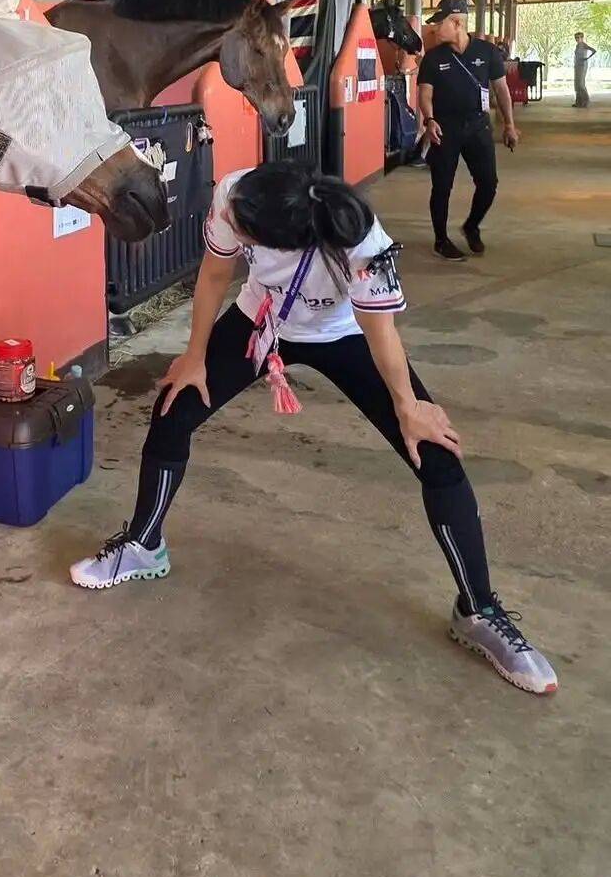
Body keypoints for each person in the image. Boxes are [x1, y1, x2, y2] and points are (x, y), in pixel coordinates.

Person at [69, 161, 556, 695]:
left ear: (286, 242)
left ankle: (478, 610)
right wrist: (196, 356)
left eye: (247, 235)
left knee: (435, 454)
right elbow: (214, 275)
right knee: (173, 407)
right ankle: (144, 544)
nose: (233, 227)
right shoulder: (239, 194)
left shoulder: (359, 239)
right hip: (262, 319)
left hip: (342, 334)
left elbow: (380, 330)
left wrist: (407, 406)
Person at [416, 0, 519, 262]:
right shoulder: (433, 58)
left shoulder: (488, 52)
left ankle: (471, 226)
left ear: (456, 23)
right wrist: (429, 120)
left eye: (439, 23)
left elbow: (502, 90)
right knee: (442, 187)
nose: (434, 29)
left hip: (478, 128)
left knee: (488, 184)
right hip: (444, 130)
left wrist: (509, 125)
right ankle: (441, 240)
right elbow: (425, 94)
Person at [573, 31, 597, 108]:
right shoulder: (577, 45)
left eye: (578, 37)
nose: (577, 39)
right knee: (577, 84)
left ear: (582, 38)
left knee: (581, 84)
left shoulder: (584, 45)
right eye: (576, 38)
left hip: (582, 65)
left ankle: (586, 101)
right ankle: (578, 102)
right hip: (577, 65)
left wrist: (587, 58)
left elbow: (594, 50)